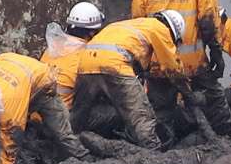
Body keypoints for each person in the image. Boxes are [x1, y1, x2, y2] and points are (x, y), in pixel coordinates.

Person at [131, 0, 231, 140]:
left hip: (160, 65)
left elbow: (138, 28)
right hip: (194, 62)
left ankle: (165, 152)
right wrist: (216, 54)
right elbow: (208, 21)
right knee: (215, 102)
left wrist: (142, 67)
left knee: (161, 114)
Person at [72, 11, 191, 150]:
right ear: (171, 30)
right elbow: (173, 68)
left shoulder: (128, 24)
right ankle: (153, 153)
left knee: (79, 114)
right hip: (114, 64)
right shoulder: (159, 28)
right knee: (142, 117)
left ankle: (69, 144)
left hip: (85, 63)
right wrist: (187, 92)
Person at [40, 1, 105, 110]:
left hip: (36, 112)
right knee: (114, 113)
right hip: (61, 119)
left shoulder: (53, 46)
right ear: (92, 33)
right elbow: (93, 94)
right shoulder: (87, 56)